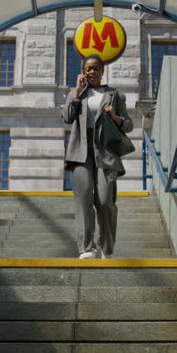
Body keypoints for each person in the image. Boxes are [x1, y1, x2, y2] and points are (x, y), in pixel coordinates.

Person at [62, 55, 133, 259]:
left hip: (105, 152)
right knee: (83, 200)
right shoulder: (76, 94)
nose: (91, 72)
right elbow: (67, 117)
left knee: (105, 201)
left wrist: (114, 115)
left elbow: (128, 125)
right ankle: (86, 248)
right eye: (87, 69)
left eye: (95, 68)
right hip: (80, 152)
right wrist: (76, 92)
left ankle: (106, 247)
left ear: (102, 70)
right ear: (83, 72)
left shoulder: (114, 95)